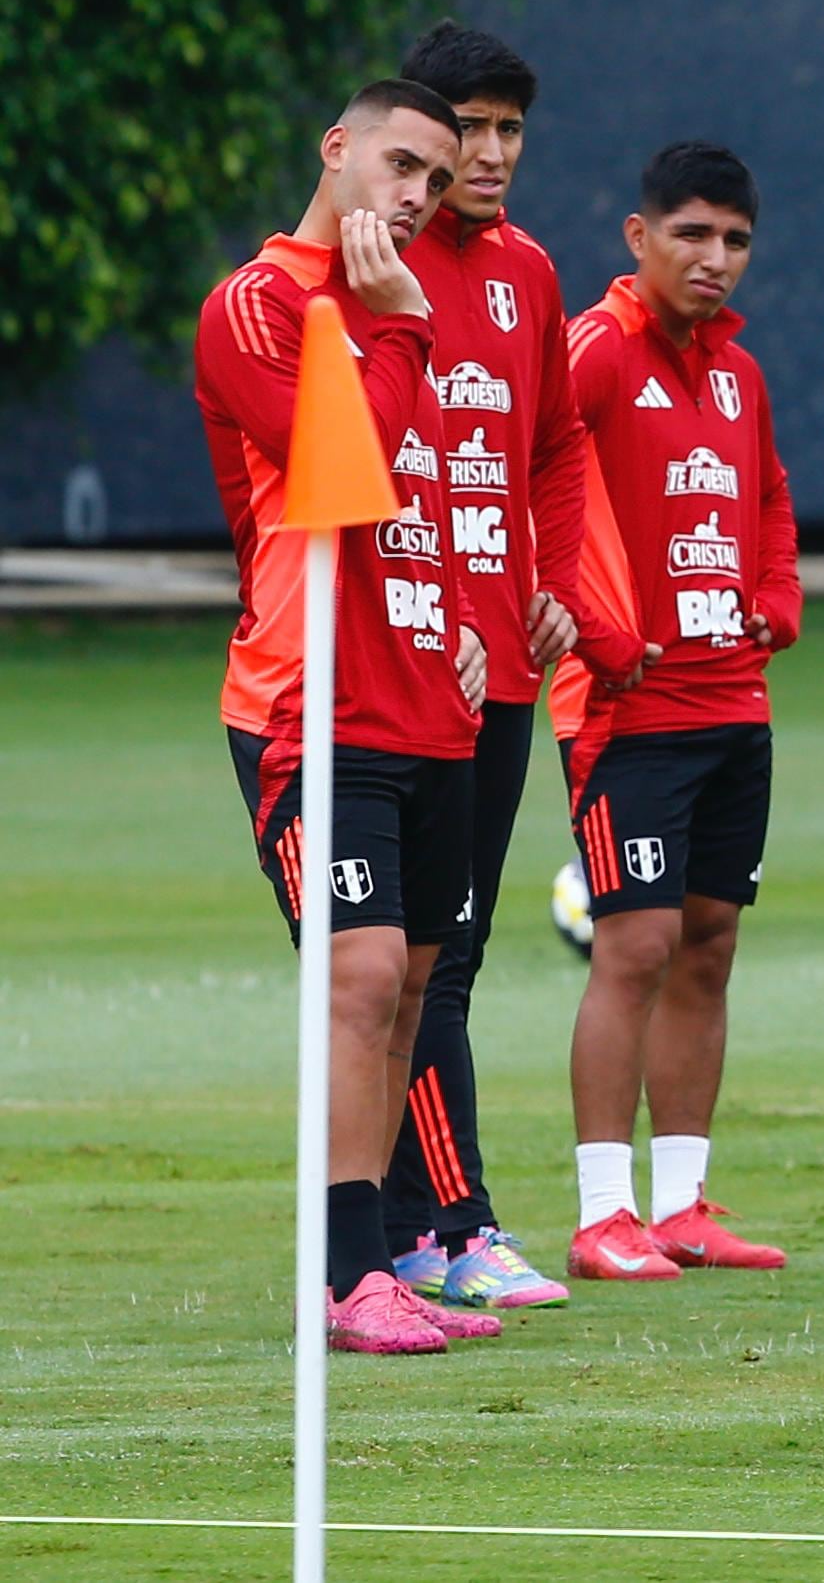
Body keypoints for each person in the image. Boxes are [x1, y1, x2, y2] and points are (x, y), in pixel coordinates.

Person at [196, 79, 501, 1354]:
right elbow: (347, 482)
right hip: (308, 705)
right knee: (361, 972)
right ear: (337, 148)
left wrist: (469, 618)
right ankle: (344, 1271)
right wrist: (395, 331)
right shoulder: (260, 305)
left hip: (426, 698)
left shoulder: (402, 314)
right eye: (400, 162)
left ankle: (374, 1260)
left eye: (435, 178)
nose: (418, 194)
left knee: (417, 984)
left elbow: (431, 502)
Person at [550, 142, 802, 1281]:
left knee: (708, 944)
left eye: (735, 239)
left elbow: (767, 496)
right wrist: (594, 621)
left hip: (729, 702)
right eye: (691, 234)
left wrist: (776, 593)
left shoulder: (737, 373)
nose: (715, 259)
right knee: (635, 944)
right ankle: (603, 1211)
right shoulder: (595, 351)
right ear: (637, 236)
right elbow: (529, 482)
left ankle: (682, 1203)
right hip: (625, 706)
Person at [381, 21, 585, 1313]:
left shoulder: (528, 274)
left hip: (503, 669)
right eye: (474, 128)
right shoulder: (380, 270)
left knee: (454, 944)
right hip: (405, 670)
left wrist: (549, 583)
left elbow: (555, 446)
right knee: (418, 953)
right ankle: (453, 1220)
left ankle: (415, 1226)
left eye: (513, 127)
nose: (495, 152)